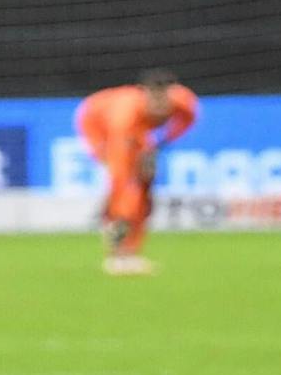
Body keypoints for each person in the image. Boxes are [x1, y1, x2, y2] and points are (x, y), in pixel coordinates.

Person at [72, 72, 198, 275]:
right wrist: (119, 209)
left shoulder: (183, 101)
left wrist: (159, 145)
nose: (159, 107)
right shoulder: (124, 117)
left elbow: (187, 121)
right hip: (97, 124)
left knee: (145, 187)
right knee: (127, 190)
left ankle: (132, 252)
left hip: (138, 132)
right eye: (154, 99)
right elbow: (120, 176)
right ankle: (116, 251)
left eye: (164, 100)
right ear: (144, 94)